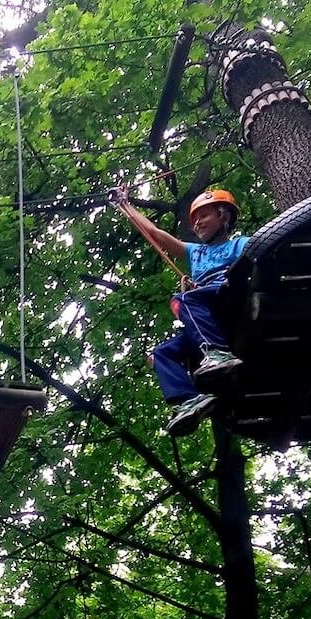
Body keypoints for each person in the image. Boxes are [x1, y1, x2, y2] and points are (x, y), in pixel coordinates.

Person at [112, 186, 249, 436]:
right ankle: (190, 400)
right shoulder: (195, 252)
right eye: (194, 220)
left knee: (183, 300)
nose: (197, 223)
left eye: (204, 216)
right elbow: (154, 232)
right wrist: (125, 205)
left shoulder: (240, 244)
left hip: (230, 300)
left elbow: (261, 258)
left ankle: (217, 353)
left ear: (224, 215)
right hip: (206, 313)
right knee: (161, 354)